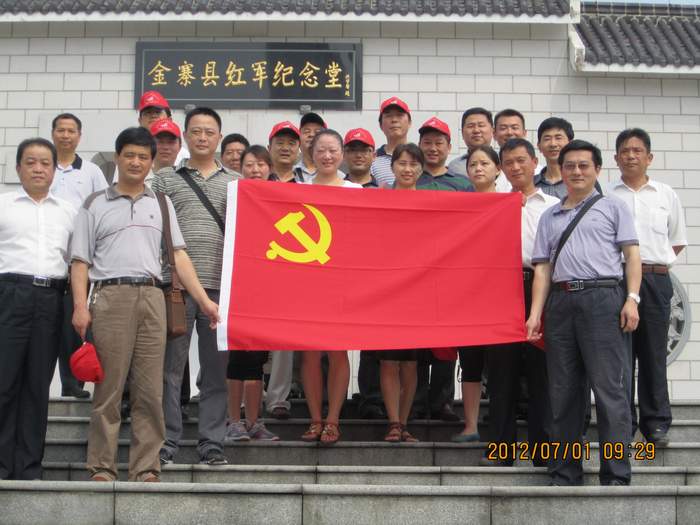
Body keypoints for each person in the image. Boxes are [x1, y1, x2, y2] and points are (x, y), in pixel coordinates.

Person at [71, 127, 218, 482]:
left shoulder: (161, 203)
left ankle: (146, 467)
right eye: (129, 155)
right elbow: (79, 261)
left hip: (154, 297)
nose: (136, 162)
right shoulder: (94, 204)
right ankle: (102, 466)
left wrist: (204, 301)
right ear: (118, 158)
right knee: (109, 387)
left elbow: (179, 256)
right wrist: (80, 306)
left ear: (152, 162)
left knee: (150, 388)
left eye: (143, 156)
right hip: (110, 296)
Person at [526, 139, 641, 486]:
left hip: (603, 299)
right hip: (561, 303)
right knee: (563, 392)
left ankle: (616, 474)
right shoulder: (549, 216)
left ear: (597, 170)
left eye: (583, 165)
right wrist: (535, 314)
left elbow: (632, 256)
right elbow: (543, 270)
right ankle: (564, 471)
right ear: (560, 170)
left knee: (609, 391)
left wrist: (632, 298)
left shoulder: (613, 207)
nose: (576, 171)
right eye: (570, 166)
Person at [152, 107, 238, 466]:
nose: (203, 137)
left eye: (209, 131)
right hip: (174, 289)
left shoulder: (236, 183)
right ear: (185, 137)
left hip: (221, 290)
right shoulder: (164, 180)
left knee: (215, 373)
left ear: (220, 137)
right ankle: (166, 443)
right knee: (169, 371)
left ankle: (212, 445)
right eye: (196, 131)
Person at [476, 139, 558, 466]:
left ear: (535, 162)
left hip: (542, 287)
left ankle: (544, 450)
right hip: (499, 290)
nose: (515, 167)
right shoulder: (491, 203)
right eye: (508, 162)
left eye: (521, 160)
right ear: (500, 168)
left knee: (542, 372)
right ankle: (501, 449)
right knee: (500, 374)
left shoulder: (553, 205)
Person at [0, 138, 76, 480]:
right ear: (18, 168)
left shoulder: (69, 211)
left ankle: (30, 467)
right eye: (30, 162)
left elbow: (75, 261)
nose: (38, 169)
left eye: (45, 163)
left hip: (51, 299)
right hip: (9, 294)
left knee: (37, 385)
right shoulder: (4, 205)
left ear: (54, 170)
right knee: (4, 381)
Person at [611, 128, 688, 447]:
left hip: (656, 280)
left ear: (649, 157)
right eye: (625, 151)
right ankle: (623, 423)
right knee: (620, 356)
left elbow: (677, 241)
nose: (631, 156)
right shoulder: (607, 196)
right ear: (615, 158)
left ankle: (656, 423)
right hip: (617, 281)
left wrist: (654, 266)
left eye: (637, 151)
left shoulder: (665, 194)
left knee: (654, 353)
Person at [300, 129, 361, 445]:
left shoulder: (356, 191)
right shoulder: (297, 191)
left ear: (342, 154)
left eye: (332, 150)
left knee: (338, 351)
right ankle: (315, 419)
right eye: (321, 150)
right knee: (310, 353)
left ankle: (333, 420)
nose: (326, 156)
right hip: (308, 282)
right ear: (311, 153)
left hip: (342, 282)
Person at [50, 112, 108, 399]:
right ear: (53, 134)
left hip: (80, 258)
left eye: (71, 131)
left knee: (74, 323)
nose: (65, 135)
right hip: (48, 258)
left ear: (79, 136)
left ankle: (72, 383)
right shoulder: (45, 167)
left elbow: (103, 207)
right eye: (60, 130)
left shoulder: (91, 172)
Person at [379, 142, 429, 442]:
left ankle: (405, 421)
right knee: (388, 360)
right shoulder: (378, 199)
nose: (407, 169)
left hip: (417, 292)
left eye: (413, 164)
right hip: (385, 291)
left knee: (410, 363)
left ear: (421, 169)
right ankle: (393, 422)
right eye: (402, 163)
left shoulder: (431, 202)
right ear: (392, 166)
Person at [453, 145, 501, 442]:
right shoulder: (459, 205)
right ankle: (470, 426)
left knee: (500, 365)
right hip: (467, 294)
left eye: (485, 163)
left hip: (501, 294)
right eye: (473, 164)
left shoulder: (513, 202)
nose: (479, 169)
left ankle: (499, 424)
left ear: (498, 169)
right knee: (469, 361)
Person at [341, 128, 384, 418]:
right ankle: (332, 397)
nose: (358, 155)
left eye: (364, 150)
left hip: (373, 273)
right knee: (331, 339)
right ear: (345, 154)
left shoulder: (384, 193)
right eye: (353, 150)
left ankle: (371, 396)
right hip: (338, 271)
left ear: (373, 155)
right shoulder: (332, 188)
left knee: (373, 339)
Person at [447, 107, 510, 192]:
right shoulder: (455, 167)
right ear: (462, 133)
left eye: (481, 125)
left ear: (493, 131)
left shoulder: (506, 160)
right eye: (470, 126)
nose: (476, 130)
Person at [417, 116, 471, 191]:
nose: (433, 148)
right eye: (427, 143)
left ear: (449, 147)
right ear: (419, 146)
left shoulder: (464, 183)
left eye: (438, 143)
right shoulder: (408, 180)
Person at [371, 97, 411, 187]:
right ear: (381, 125)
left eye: (399, 115)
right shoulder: (372, 160)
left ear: (409, 123)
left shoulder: (419, 157)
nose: (394, 120)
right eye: (388, 116)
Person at [535, 117, 575, 199]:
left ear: (570, 143)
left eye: (558, 138)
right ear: (539, 146)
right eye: (547, 139)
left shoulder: (582, 180)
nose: (553, 144)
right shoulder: (530, 184)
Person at [296, 112, 326, 181]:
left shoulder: (338, 177)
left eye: (317, 132)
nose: (311, 135)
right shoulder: (291, 174)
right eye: (307, 131)